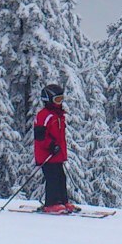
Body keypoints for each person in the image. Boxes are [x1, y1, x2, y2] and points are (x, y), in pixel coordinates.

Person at [33, 83, 74, 213]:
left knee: (61, 177)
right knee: (53, 178)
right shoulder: (44, 115)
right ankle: (51, 203)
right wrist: (51, 146)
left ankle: (63, 201)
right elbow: (40, 136)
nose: (60, 102)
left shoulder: (58, 115)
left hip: (57, 155)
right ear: (48, 100)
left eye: (61, 99)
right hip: (47, 155)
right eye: (57, 99)